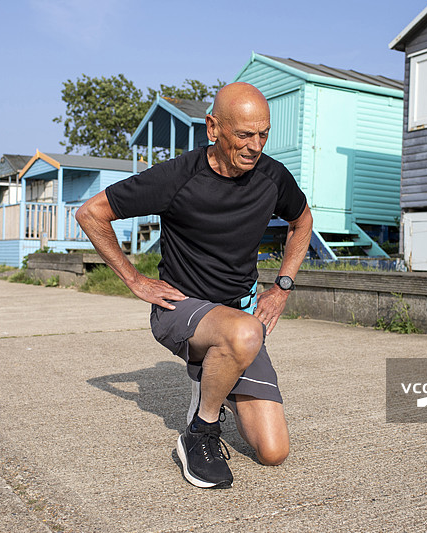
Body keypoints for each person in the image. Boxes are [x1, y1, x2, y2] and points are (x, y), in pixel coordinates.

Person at [76, 82, 313, 489]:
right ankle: (200, 431)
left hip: (237, 318)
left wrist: (282, 287)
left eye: (264, 134)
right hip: (181, 310)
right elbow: (91, 213)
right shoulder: (178, 177)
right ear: (213, 128)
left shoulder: (272, 177)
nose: (255, 146)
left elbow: (302, 221)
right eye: (244, 134)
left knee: (274, 452)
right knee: (244, 331)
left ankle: (212, 371)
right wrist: (135, 281)